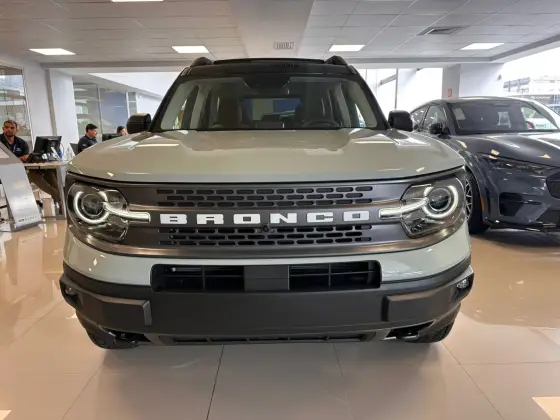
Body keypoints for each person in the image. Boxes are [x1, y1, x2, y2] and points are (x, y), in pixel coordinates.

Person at [1, 120, 61, 208]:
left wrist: (27, 158)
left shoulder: (22, 143)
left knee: (49, 171)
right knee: (33, 175)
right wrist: (18, 159)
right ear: (3, 129)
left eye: (12, 128)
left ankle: (59, 200)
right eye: (6, 127)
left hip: (21, 171)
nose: (9, 129)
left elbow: (26, 159)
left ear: (16, 130)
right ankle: (60, 198)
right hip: (4, 173)